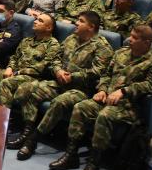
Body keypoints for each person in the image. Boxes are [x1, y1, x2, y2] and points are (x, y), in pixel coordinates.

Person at [53, 25, 152, 170]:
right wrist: (103, 89)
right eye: (130, 36)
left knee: (104, 116)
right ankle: (71, 155)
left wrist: (124, 91)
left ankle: (94, 163)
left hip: (129, 107)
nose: (129, 39)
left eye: (134, 38)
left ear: (147, 42)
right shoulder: (121, 53)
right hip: (106, 100)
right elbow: (106, 74)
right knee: (81, 107)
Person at [11, 12, 114, 161]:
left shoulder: (102, 47)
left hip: (82, 90)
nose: (76, 23)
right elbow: (56, 58)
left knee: (59, 102)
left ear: (91, 27)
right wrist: (58, 70)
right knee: (31, 90)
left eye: (80, 21)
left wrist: (73, 76)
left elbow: (99, 72)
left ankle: (32, 140)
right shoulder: (71, 38)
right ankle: (26, 132)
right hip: (60, 82)